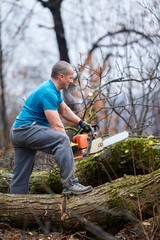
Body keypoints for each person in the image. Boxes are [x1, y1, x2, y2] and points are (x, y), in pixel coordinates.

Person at [10, 61, 93, 195]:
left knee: (21, 174)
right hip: (26, 130)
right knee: (62, 140)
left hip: (18, 131)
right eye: (70, 78)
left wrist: (81, 123)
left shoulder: (52, 90)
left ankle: (15, 203)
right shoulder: (48, 92)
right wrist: (69, 144)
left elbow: (64, 110)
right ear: (61, 76)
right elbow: (56, 126)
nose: (71, 81)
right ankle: (70, 184)